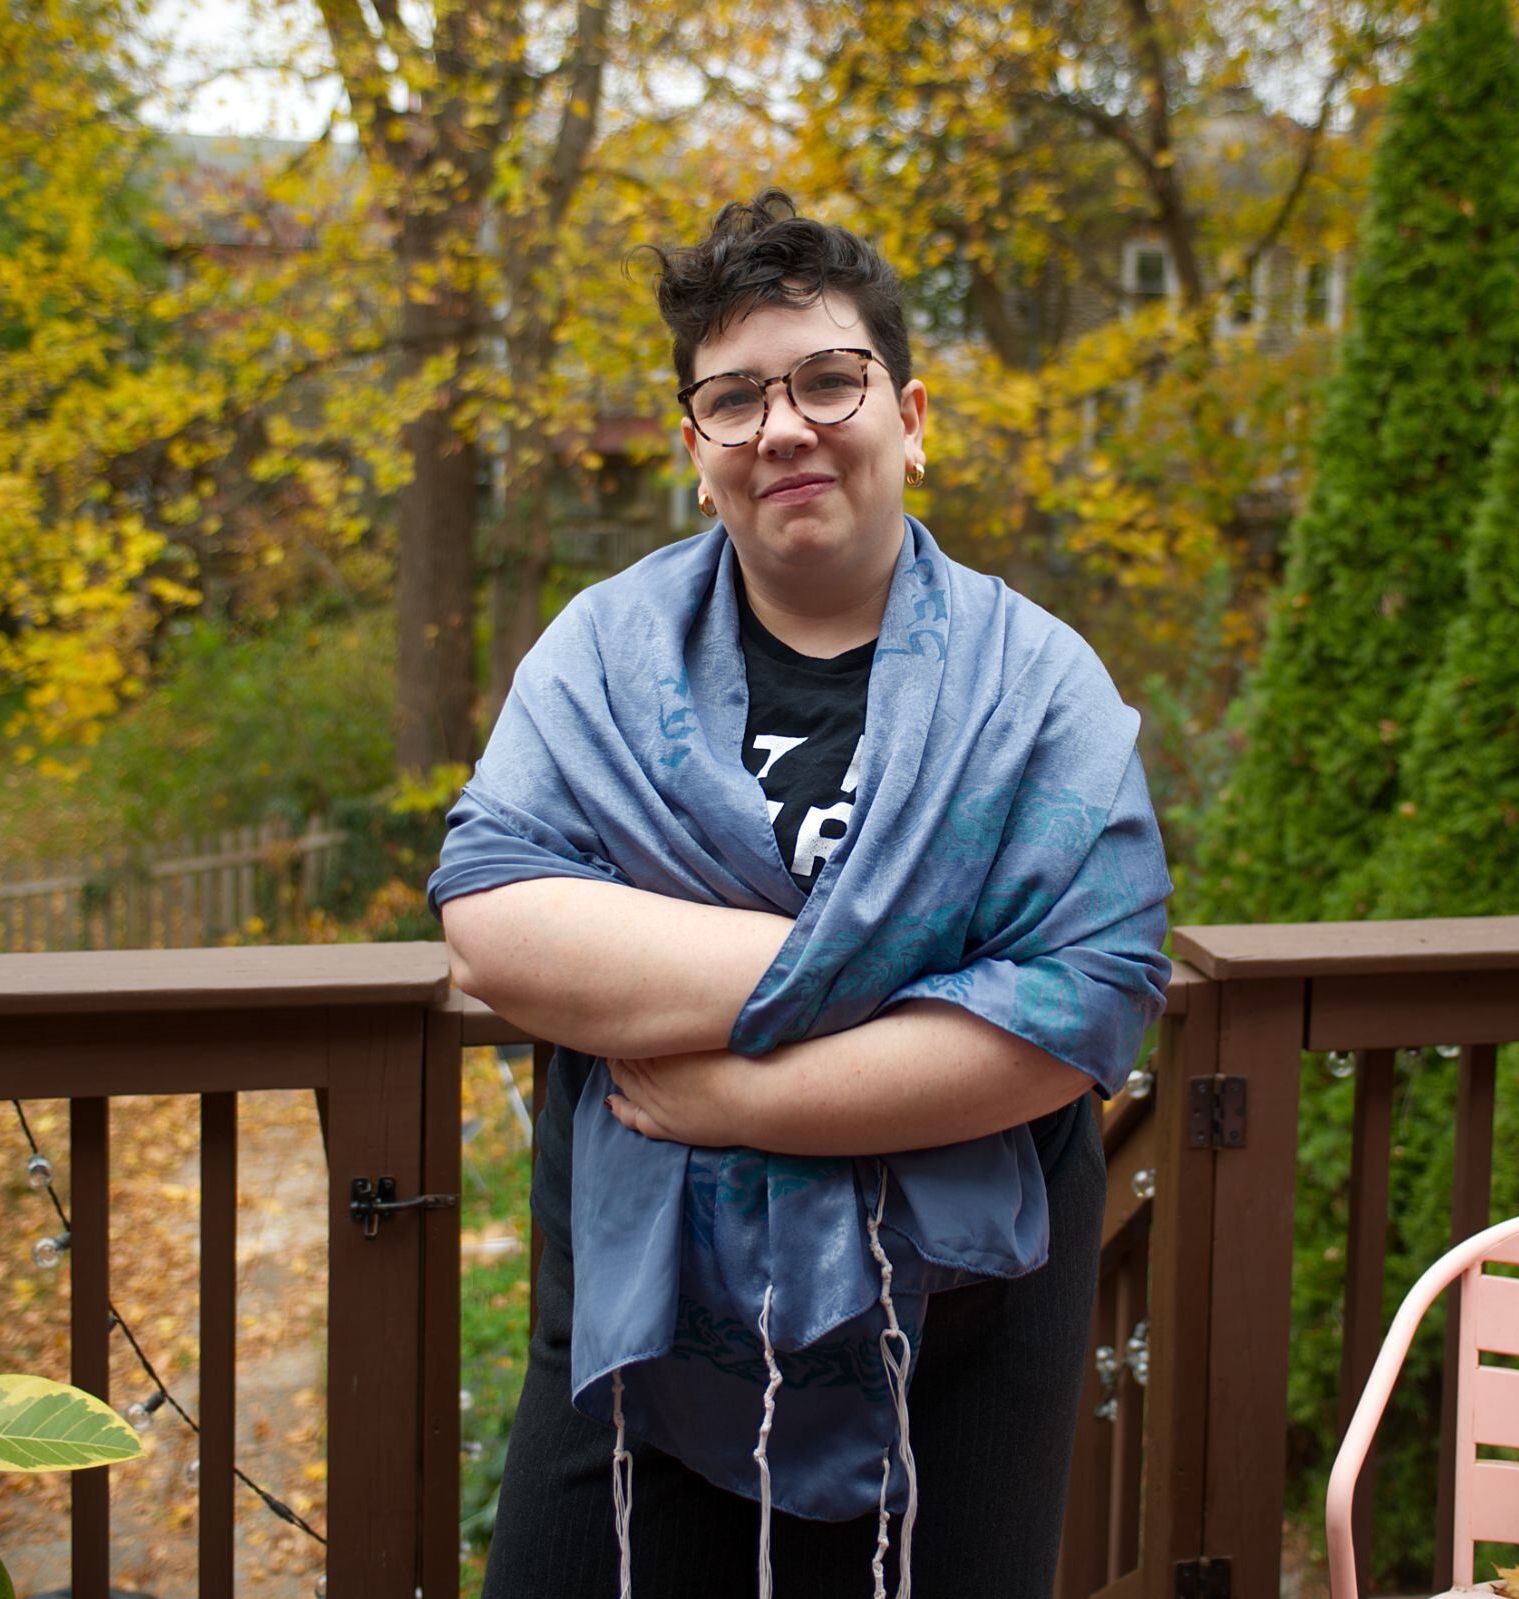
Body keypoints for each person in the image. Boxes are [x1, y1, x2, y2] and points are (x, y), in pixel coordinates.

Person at [429, 192, 1173, 1598]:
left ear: (911, 416)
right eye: (733, 398)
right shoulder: (601, 656)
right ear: (695, 448)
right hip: (637, 1329)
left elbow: (1089, 995)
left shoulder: (1036, 685)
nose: (784, 427)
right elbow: (493, 913)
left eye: (830, 380)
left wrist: (735, 1099)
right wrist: (918, 968)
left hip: (964, 1339)